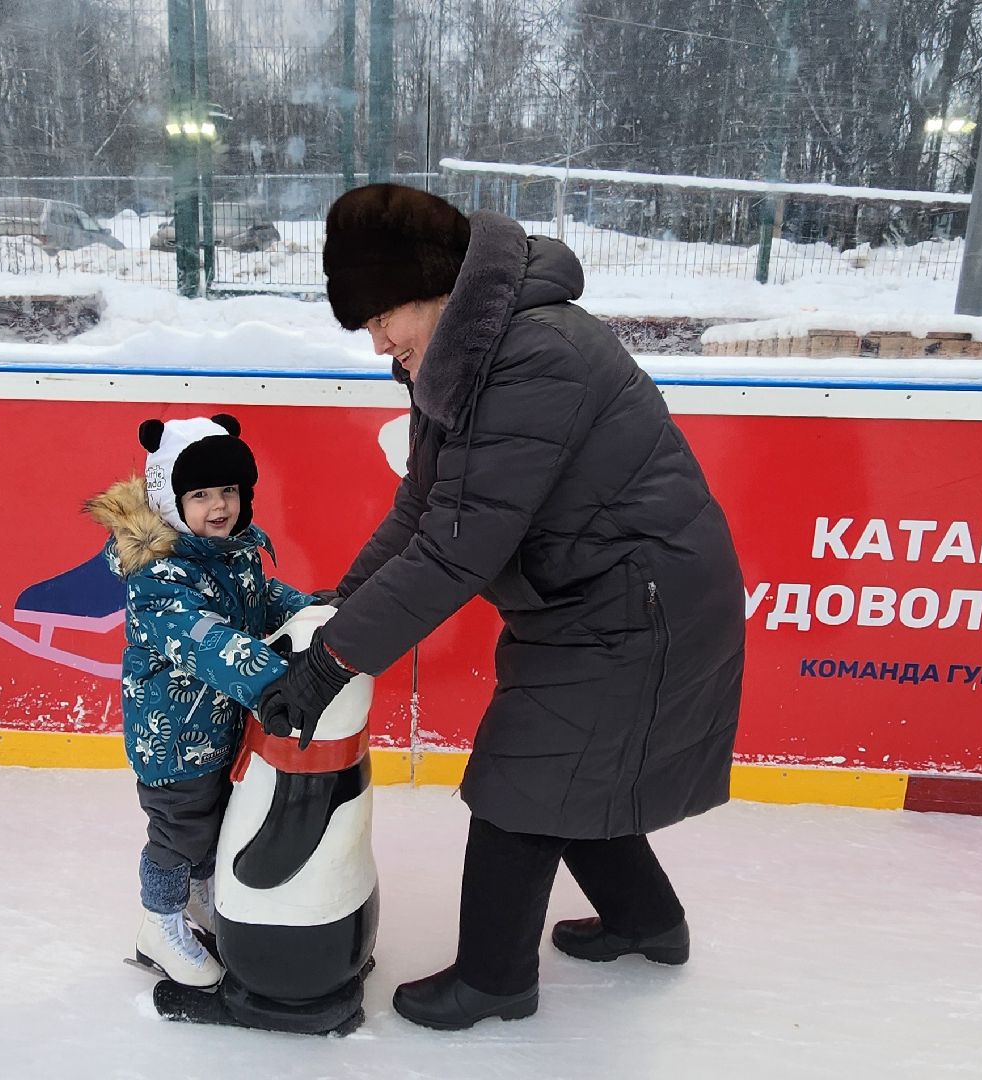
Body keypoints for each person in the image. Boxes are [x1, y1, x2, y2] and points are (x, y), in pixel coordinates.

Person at [255, 184, 746, 1030]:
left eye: (381, 318)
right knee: (572, 768)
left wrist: (336, 659)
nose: (378, 342)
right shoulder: (464, 351)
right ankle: (648, 922)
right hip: (598, 593)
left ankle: (494, 980)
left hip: (636, 602)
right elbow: (424, 505)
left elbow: (458, 549)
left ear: (433, 284)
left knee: (523, 784)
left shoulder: (531, 355)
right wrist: (343, 603)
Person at [87, 413, 319, 987]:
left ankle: (199, 903)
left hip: (219, 731)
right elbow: (203, 640)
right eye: (201, 494)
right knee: (179, 833)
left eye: (230, 491)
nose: (220, 505)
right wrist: (271, 681)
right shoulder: (159, 575)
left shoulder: (228, 553)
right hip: (171, 739)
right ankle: (158, 925)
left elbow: (260, 599)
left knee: (216, 824)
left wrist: (314, 612)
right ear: (169, 501)